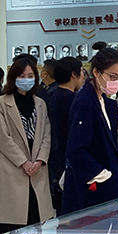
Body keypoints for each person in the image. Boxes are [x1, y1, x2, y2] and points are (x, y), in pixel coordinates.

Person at [62, 42, 118, 215]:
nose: (117, 82)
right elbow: (76, 149)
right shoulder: (85, 101)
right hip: (93, 187)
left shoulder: (105, 101)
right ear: (96, 72)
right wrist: (103, 175)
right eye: (112, 76)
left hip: (108, 179)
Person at [0, 54, 54, 232]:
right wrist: (23, 162)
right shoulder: (1, 103)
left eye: (30, 76)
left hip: (37, 169)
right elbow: (2, 138)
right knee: (14, 225)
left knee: (38, 221)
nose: (26, 79)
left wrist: (40, 160)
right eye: (21, 76)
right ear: (13, 78)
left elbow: (46, 135)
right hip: (13, 168)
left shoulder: (40, 103)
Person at [47, 56, 83, 212]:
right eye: (81, 71)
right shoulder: (72, 100)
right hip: (68, 155)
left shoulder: (52, 95)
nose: (83, 76)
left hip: (54, 154)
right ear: (74, 74)